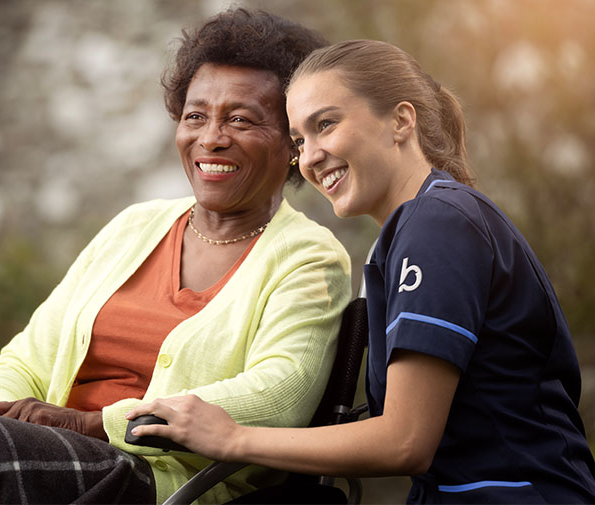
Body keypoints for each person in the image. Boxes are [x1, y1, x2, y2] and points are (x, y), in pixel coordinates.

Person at [0, 9, 351, 505]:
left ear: (293, 144)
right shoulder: (135, 227)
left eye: (241, 120)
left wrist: (95, 424)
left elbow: (280, 395)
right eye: (195, 116)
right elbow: (20, 361)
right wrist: (0, 415)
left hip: (164, 483)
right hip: (39, 458)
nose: (211, 138)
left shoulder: (307, 259)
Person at [127, 39, 595, 504]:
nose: (310, 156)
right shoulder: (414, 230)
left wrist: (231, 437)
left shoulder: (436, 224)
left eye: (326, 125)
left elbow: (404, 441)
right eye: (299, 141)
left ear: (400, 120)